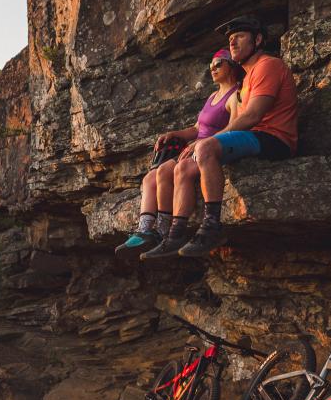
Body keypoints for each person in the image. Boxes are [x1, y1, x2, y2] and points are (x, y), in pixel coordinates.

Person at [158, 14, 299, 259]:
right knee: (185, 167)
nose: (232, 43)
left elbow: (252, 117)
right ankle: (175, 233)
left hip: (274, 139)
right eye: (230, 39)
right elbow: (239, 122)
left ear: (257, 39)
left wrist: (205, 142)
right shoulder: (245, 79)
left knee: (205, 149)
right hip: (253, 136)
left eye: (239, 37)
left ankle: (212, 226)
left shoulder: (268, 65)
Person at [114, 50, 245, 259]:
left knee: (171, 170)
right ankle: (148, 230)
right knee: (151, 176)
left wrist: (202, 143)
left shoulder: (235, 94)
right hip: (194, 147)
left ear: (232, 66)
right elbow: (196, 128)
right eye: (210, 64)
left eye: (218, 63)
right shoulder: (213, 96)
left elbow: (234, 127)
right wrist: (174, 134)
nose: (212, 68)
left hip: (209, 148)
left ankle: (168, 232)